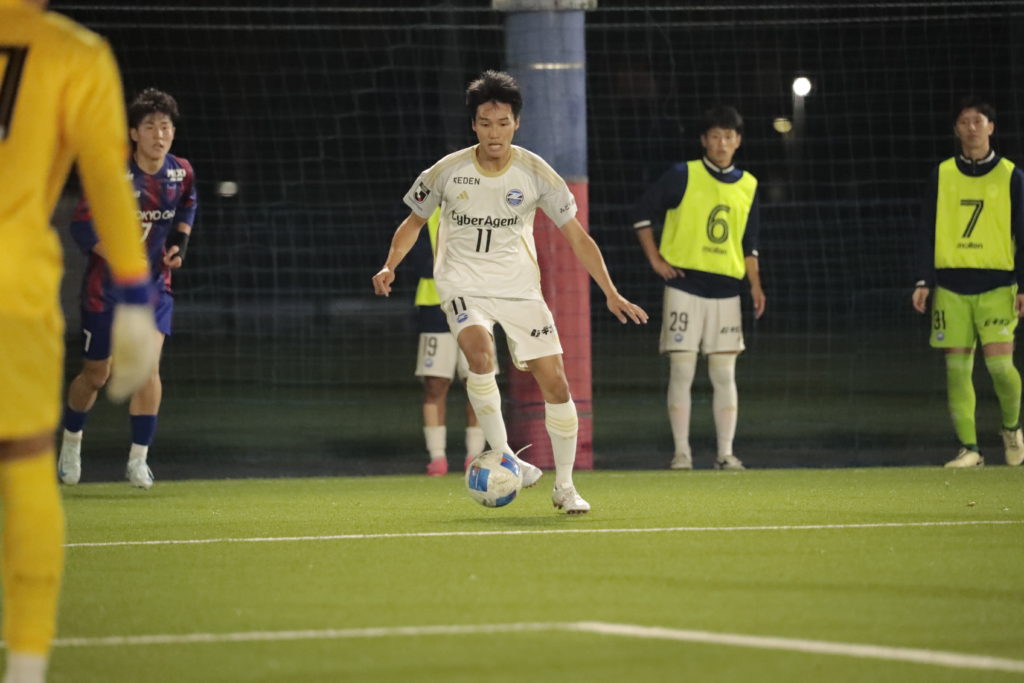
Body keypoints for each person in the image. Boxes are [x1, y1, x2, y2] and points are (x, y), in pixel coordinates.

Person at [373, 70, 647, 513]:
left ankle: (565, 487)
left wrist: (611, 292)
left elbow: (578, 237)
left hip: (519, 289)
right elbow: (413, 222)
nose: (494, 132)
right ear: (473, 125)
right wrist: (390, 264)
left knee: (556, 382)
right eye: (485, 123)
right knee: (479, 354)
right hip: (463, 283)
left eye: (502, 123)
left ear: (516, 123)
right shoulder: (446, 172)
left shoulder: (535, 172)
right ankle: (505, 455)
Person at [0, 1, 159, 680]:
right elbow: (107, 181)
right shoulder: (72, 52)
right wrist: (135, 295)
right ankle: (25, 666)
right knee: (23, 466)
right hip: (11, 287)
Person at [58, 88, 197, 490]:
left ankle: (138, 459)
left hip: (154, 288)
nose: (159, 134)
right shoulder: (114, 174)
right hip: (105, 291)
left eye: (165, 127)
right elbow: (82, 227)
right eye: (150, 126)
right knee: (96, 374)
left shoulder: (181, 172)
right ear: (134, 133)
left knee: (148, 370)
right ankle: (71, 442)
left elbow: (189, 203)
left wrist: (180, 243)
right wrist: (121, 258)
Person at [631, 105, 765, 471]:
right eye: (715, 136)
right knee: (682, 371)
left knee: (724, 374)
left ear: (738, 141)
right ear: (704, 140)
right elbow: (641, 213)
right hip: (685, 287)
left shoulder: (749, 185)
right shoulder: (682, 175)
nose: (722, 143)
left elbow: (750, 244)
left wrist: (755, 285)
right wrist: (656, 260)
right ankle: (682, 454)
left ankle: (725, 454)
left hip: (727, 291)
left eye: (728, 136)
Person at [912, 97, 1024, 468]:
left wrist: (1023, 285)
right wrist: (923, 279)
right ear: (956, 129)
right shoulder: (942, 174)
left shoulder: (1011, 176)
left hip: (998, 285)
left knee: (1000, 369)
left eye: (978, 121)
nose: (972, 127)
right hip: (951, 287)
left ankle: (1012, 428)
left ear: (991, 127)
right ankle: (970, 449)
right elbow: (926, 229)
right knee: (957, 371)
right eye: (964, 122)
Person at [410, 208, 487, 476]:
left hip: (477, 307)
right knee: (435, 383)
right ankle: (437, 458)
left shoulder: (483, 208)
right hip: (435, 309)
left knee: (478, 382)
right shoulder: (426, 213)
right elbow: (421, 263)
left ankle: (475, 458)